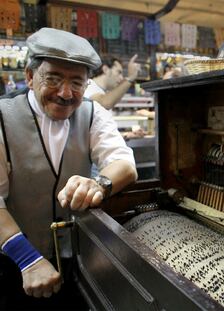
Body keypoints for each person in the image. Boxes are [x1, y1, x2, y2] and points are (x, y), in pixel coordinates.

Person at [0, 28, 137, 310]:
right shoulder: (3, 118)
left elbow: (124, 164)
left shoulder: (92, 113)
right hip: (15, 260)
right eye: (53, 79)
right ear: (29, 76)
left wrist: (99, 183)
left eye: (77, 82)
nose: (65, 93)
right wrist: (27, 258)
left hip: (77, 258)